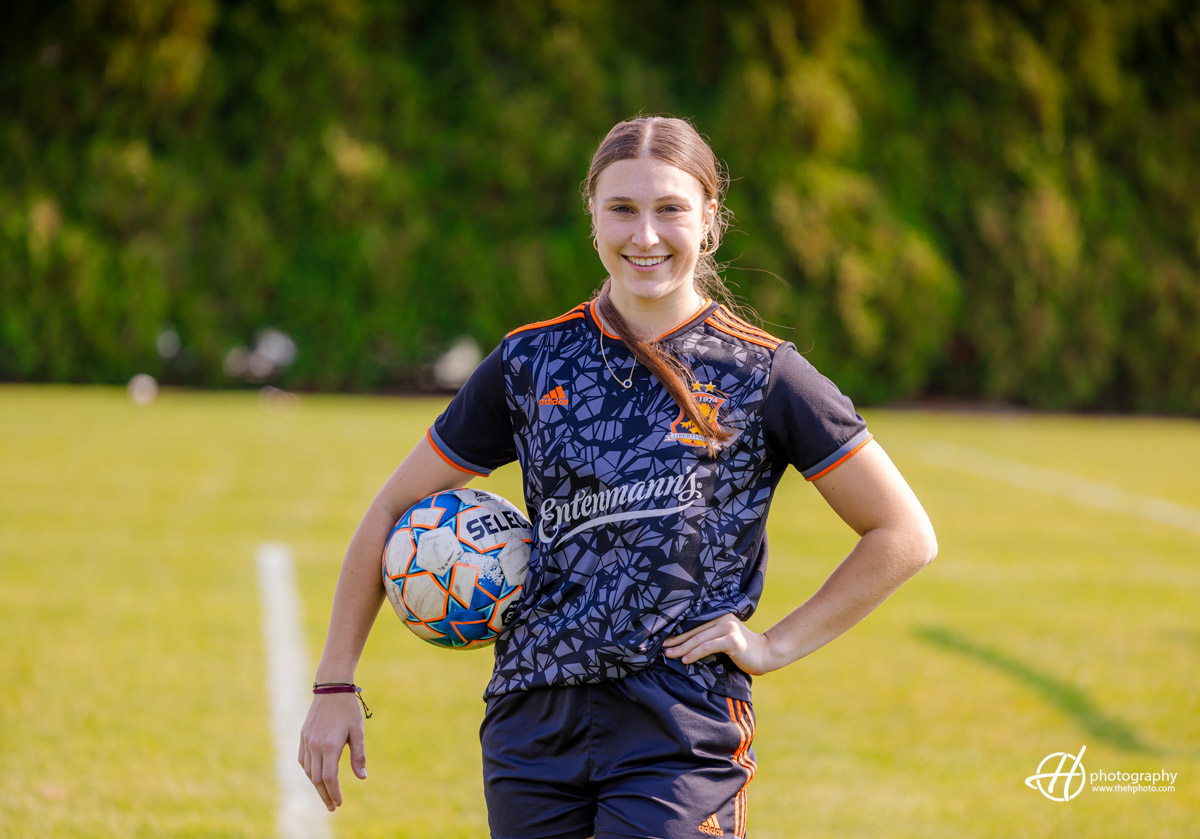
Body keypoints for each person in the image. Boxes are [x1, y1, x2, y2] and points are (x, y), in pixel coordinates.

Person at [299, 115, 937, 839]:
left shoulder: (762, 372)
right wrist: (334, 682)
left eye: (670, 209)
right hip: (532, 718)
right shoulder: (530, 361)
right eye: (622, 209)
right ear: (592, 215)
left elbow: (904, 532)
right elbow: (392, 507)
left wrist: (774, 644)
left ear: (710, 222)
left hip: (679, 725)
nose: (645, 235)